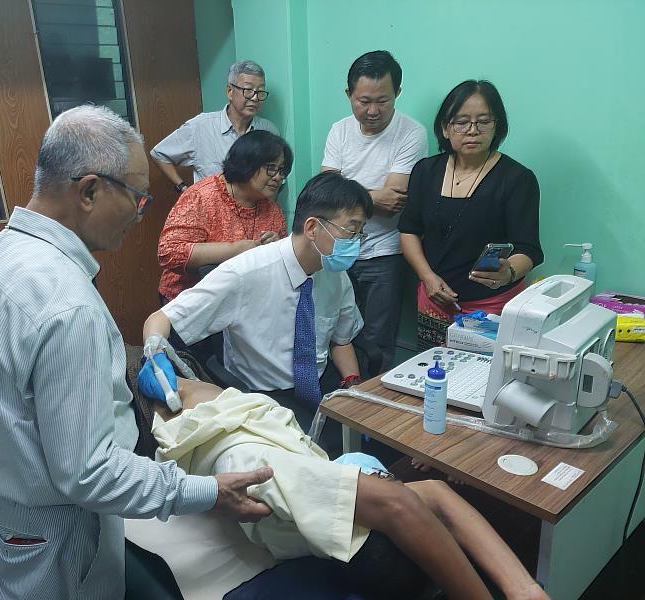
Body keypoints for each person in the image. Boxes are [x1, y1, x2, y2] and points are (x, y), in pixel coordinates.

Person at [0, 105, 274, 600]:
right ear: (90, 190)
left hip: (1, 510)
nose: (141, 216)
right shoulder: (66, 304)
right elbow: (87, 472)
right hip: (59, 533)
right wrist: (209, 492)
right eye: (139, 198)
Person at [148, 376, 550, 600]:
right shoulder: (242, 456)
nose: (196, 380)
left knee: (434, 490)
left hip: (366, 538)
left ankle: (525, 590)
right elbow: (397, 505)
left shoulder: (221, 425)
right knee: (425, 495)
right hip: (376, 559)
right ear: (173, 407)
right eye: (186, 381)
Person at [141, 172, 368, 437]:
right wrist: (155, 354)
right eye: (350, 231)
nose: (356, 243)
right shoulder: (245, 272)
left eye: (360, 233)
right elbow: (160, 319)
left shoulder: (334, 272)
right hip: (263, 397)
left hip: (320, 385)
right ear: (312, 228)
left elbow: (341, 340)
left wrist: (353, 385)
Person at [398, 80, 543, 349]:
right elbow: (409, 230)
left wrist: (508, 272)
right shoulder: (426, 171)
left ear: (496, 126)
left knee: (482, 383)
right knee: (432, 376)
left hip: (492, 305)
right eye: (462, 122)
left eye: (483, 122)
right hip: (434, 302)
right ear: (445, 127)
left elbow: (529, 248)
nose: (472, 131)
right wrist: (427, 277)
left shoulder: (516, 179)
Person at [321, 50, 428, 378]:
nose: (372, 110)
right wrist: (370, 194)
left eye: (382, 100)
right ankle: (340, 400)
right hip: (337, 252)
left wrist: (345, 190)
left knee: (378, 340)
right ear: (349, 95)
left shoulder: (411, 133)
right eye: (363, 100)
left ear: (397, 93)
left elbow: (392, 200)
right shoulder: (339, 130)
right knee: (333, 333)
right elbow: (325, 193)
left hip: (384, 255)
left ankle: (371, 412)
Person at [158, 130, 291, 303]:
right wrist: (235, 250)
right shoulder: (202, 196)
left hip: (238, 302)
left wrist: (276, 247)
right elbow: (169, 252)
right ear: (247, 163)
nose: (279, 177)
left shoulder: (271, 209)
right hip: (188, 300)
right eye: (271, 168)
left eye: (282, 170)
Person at [150, 60, 279, 192]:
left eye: (260, 92)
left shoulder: (268, 131)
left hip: (255, 210)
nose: (255, 98)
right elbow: (159, 154)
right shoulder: (201, 127)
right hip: (211, 210)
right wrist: (183, 188)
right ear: (229, 91)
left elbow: (276, 173)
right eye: (248, 90)